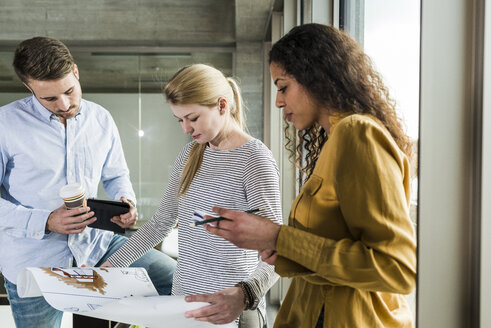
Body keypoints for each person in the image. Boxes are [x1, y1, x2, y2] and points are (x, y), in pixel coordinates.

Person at [205, 23, 417, 328]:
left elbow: (395, 267)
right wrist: (281, 249)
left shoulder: (357, 133)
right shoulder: (335, 142)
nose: (279, 101)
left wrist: (278, 237)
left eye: (283, 87)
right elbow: (337, 246)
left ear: (315, 76)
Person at [0, 36, 176, 328]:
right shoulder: (5, 125)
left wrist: (126, 201)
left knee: (177, 279)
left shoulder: (100, 119)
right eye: (50, 98)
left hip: (96, 247)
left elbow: (117, 174)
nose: (65, 104)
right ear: (29, 88)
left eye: (69, 90)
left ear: (77, 72)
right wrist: (45, 221)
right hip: (33, 263)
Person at [105, 64, 282, 327]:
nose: (185, 128)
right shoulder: (188, 156)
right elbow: (159, 224)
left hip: (228, 312)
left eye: (193, 118)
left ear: (222, 106)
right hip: (183, 307)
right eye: (180, 120)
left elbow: (277, 252)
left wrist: (245, 295)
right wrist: (109, 269)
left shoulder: (254, 160)